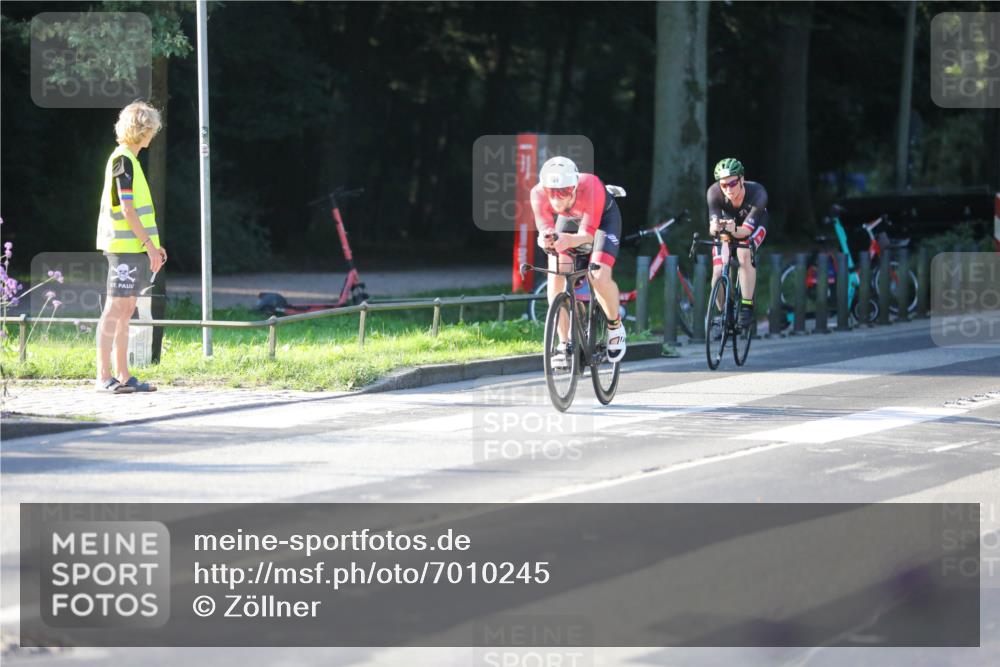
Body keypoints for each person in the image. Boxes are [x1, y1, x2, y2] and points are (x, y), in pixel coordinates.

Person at [95, 101, 167, 393]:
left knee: (126, 310)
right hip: (124, 248)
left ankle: (124, 375)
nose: (154, 133)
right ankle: (103, 377)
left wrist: (154, 246)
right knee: (115, 309)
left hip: (135, 248)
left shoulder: (131, 161)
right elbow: (127, 209)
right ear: (144, 130)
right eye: (152, 128)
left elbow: (139, 211)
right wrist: (150, 245)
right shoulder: (122, 160)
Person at [530, 156, 626, 365]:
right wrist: (546, 238)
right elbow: (545, 227)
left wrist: (567, 240)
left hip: (602, 222)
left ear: (574, 186)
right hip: (571, 220)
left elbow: (587, 235)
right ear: (544, 188)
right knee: (555, 274)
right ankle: (564, 343)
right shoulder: (537, 193)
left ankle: (614, 325)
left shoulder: (590, 185)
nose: (558, 197)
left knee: (598, 275)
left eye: (564, 191)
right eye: (552, 192)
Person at [706, 157, 768, 335]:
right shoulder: (714, 193)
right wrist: (715, 227)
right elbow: (712, 228)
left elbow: (745, 232)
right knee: (718, 270)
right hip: (729, 226)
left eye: (733, 183)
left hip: (753, 226)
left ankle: (747, 307)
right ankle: (724, 311)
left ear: (742, 179)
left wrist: (735, 229)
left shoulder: (757, 193)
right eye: (724, 185)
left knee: (743, 252)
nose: (728, 189)